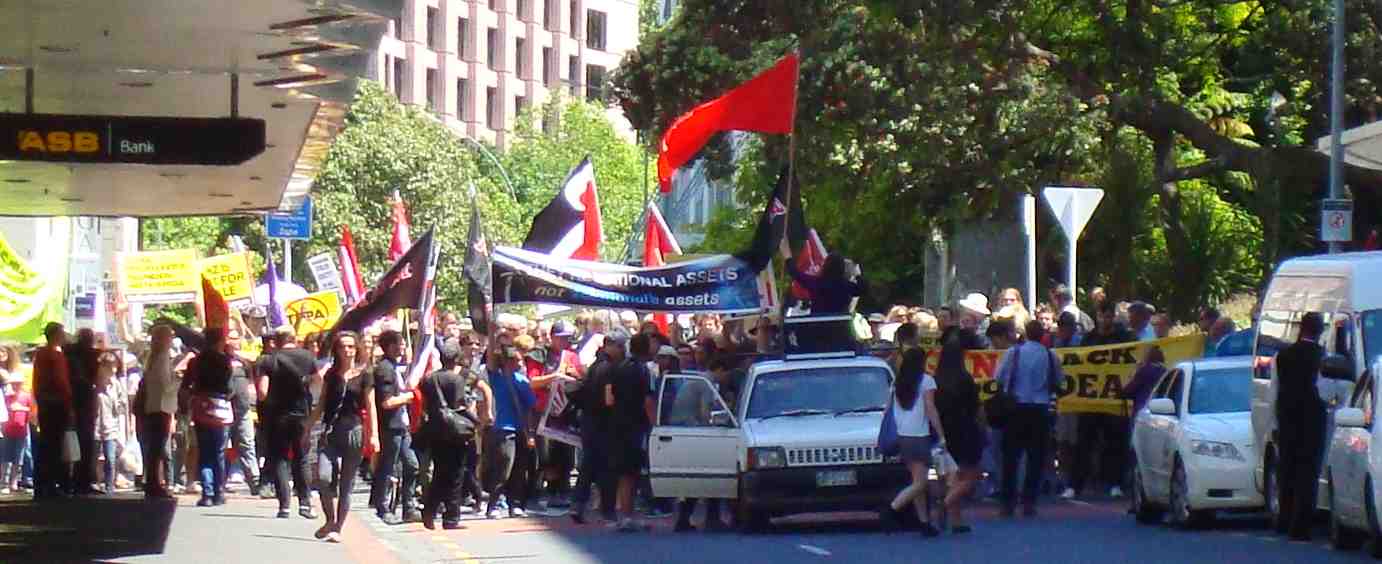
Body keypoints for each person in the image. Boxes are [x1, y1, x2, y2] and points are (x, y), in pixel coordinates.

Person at [308, 332, 378, 542]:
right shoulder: (331, 374)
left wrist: (374, 435)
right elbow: (321, 403)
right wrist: (307, 428)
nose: (347, 351)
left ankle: (337, 528)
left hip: (354, 431)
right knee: (322, 477)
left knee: (346, 484)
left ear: (357, 349)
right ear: (336, 350)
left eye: (351, 347)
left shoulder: (365, 374)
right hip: (330, 431)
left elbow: (370, 405)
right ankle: (330, 519)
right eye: (343, 347)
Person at [1065, 302, 1135, 500]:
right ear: (1097, 316)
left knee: (1116, 442)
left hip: (1114, 400)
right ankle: (1075, 485)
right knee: (1083, 443)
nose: (1105, 319)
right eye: (1102, 315)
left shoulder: (1125, 338)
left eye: (1108, 316)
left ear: (1113, 316)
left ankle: (1115, 483)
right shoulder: (1089, 338)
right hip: (1091, 400)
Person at [994, 320, 1061, 517]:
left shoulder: (1013, 353)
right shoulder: (1050, 356)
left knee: (1010, 457)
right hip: (1039, 409)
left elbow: (998, 377)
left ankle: (1008, 502)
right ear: (1042, 335)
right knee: (1036, 458)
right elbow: (1059, 380)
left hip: (1015, 407)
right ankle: (1029, 501)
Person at [882, 348, 946, 537]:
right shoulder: (926, 381)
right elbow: (930, 408)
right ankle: (892, 509)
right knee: (921, 482)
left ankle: (924, 522)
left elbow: (887, 410)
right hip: (919, 435)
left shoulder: (897, 382)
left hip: (902, 435)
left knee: (917, 479)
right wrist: (941, 434)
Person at [1274, 312, 1327, 541]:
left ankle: (1284, 519)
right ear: (1320, 331)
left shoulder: (1283, 355)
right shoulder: (1321, 357)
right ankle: (1301, 525)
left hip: (1287, 417)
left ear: (1301, 328)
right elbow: (1325, 390)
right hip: (1312, 418)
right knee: (1308, 470)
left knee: (1287, 468)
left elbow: (1278, 387)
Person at [418, 340, 474, 530]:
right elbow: (459, 406)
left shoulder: (428, 379)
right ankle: (451, 517)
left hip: (435, 430)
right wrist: (476, 422)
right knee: (455, 475)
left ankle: (429, 510)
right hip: (454, 432)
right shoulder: (456, 380)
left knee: (440, 473)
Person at [265, 327, 318, 519]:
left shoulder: (269, 359)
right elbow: (316, 381)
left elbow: (262, 392)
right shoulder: (308, 357)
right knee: (301, 457)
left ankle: (284, 505)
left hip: (278, 415)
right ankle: (304, 503)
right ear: (294, 339)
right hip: (302, 413)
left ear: (277, 340)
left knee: (280, 458)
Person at [370, 330, 420, 525]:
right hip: (391, 427)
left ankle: (409, 506)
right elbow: (387, 402)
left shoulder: (394, 368)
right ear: (389, 346)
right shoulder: (384, 370)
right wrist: (410, 397)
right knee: (388, 467)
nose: (403, 347)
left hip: (402, 426)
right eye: (399, 344)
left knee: (412, 465)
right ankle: (382, 507)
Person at [933, 340, 983, 534]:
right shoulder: (965, 379)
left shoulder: (936, 380)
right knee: (972, 474)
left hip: (945, 430)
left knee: (952, 476)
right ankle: (945, 505)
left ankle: (956, 519)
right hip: (966, 428)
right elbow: (976, 406)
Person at [605, 331, 653, 532]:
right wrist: (655, 424)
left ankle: (625, 514)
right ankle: (626, 516)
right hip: (635, 426)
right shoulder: (643, 370)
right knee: (630, 473)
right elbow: (648, 401)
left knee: (624, 472)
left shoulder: (618, 368)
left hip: (616, 424)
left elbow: (609, 399)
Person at [483, 345, 536, 520]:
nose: (520, 363)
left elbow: (530, 409)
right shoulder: (497, 378)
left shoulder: (522, 380)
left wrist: (530, 434)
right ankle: (494, 504)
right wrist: (491, 333)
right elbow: (490, 358)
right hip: (504, 429)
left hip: (520, 429)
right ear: (508, 361)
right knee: (504, 468)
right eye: (517, 360)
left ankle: (515, 504)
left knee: (519, 470)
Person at [187, 328, 233, 507]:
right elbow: (230, 388)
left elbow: (187, 385)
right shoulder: (224, 362)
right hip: (220, 407)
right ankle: (218, 491)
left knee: (205, 451)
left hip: (201, 406)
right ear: (220, 341)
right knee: (219, 452)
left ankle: (207, 493)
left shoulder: (196, 361)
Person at [33, 322, 74, 500]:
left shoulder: (40, 355)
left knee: (45, 445)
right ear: (56, 335)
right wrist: (69, 402)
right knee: (54, 446)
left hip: (45, 403)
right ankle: (51, 485)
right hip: (56, 404)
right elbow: (61, 381)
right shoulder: (55, 356)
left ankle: (41, 485)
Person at [141, 325, 181, 499]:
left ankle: (152, 482)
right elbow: (166, 385)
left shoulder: (152, 357)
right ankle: (154, 484)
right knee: (158, 449)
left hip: (153, 406)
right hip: (162, 406)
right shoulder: (163, 357)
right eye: (170, 336)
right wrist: (179, 380)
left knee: (154, 449)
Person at [224, 329, 259, 493]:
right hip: (223, 409)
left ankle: (255, 481)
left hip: (243, 409)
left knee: (247, 443)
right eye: (230, 338)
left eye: (236, 338)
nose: (233, 341)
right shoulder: (219, 360)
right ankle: (219, 482)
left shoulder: (244, 361)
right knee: (222, 446)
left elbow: (253, 378)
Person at [93, 351, 129, 494]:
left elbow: (122, 405)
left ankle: (109, 486)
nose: (113, 370)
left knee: (110, 458)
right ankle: (94, 482)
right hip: (95, 426)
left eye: (114, 366)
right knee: (94, 457)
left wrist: (119, 406)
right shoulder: (94, 385)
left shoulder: (117, 385)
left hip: (111, 426)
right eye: (109, 367)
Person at [785, 254, 866, 314]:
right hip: (840, 328)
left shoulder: (816, 282)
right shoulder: (846, 286)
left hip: (818, 327)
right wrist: (857, 274)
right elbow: (863, 289)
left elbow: (795, 273)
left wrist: (787, 256)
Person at [3, 369, 33, 494]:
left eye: (18, 383)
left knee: (18, 459)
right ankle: (4, 482)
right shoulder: (6, 397)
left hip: (21, 432)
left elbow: (33, 412)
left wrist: (22, 409)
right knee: (5, 458)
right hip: (7, 431)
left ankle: (14, 482)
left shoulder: (26, 396)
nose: (16, 385)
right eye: (14, 383)